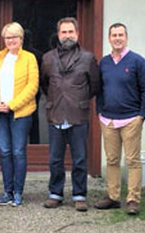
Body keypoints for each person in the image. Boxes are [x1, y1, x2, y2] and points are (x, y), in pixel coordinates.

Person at [40, 17, 100, 212]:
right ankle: (55, 193)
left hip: (78, 113)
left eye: (70, 32)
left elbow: (94, 85)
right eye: (63, 32)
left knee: (80, 158)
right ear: (58, 35)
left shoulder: (88, 58)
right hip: (56, 112)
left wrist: (77, 98)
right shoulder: (48, 58)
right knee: (55, 159)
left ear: (77, 34)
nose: (67, 36)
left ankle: (79, 194)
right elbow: (44, 84)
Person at [94, 23, 145, 216]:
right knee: (112, 160)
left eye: (121, 35)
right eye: (114, 35)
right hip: (108, 120)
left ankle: (133, 199)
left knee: (132, 160)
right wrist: (100, 112)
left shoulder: (138, 62)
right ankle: (113, 197)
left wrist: (141, 115)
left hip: (131, 119)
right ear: (109, 38)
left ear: (126, 37)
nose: (117, 38)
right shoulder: (104, 62)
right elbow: (99, 89)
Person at [0, 22, 39, 207]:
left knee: (18, 151)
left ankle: (18, 192)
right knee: (5, 151)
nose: (10, 40)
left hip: (20, 113)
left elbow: (32, 86)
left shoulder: (29, 58)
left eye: (13, 37)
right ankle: (7, 191)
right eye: (7, 37)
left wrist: (12, 105)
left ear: (21, 39)